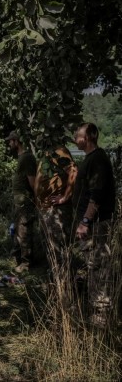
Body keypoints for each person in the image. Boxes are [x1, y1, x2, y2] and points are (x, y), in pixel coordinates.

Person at [71, 122, 116, 327]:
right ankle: (93, 308)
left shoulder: (97, 159)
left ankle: (101, 314)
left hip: (96, 224)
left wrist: (86, 221)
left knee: (98, 264)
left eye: (77, 135)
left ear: (87, 138)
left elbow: (96, 196)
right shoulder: (91, 158)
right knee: (92, 264)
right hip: (90, 223)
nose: (74, 138)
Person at [34, 143, 78, 306]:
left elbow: (73, 171)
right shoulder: (48, 153)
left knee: (60, 254)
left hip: (57, 211)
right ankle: (57, 295)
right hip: (47, 211)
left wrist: (65, 197)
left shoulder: (60, 153)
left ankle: (65, 298)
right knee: (52, 253)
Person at [5, 130, 37, 274]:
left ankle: (26, 264)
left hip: (25, 203)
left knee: (24, 231)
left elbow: (33, 182)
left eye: (10, 141)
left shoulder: (27, 158)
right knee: (17, 230)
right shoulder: (21, 157)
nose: (9, 143)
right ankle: (18, 258)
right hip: (20, 202)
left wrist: (37, 199)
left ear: (16, 141)